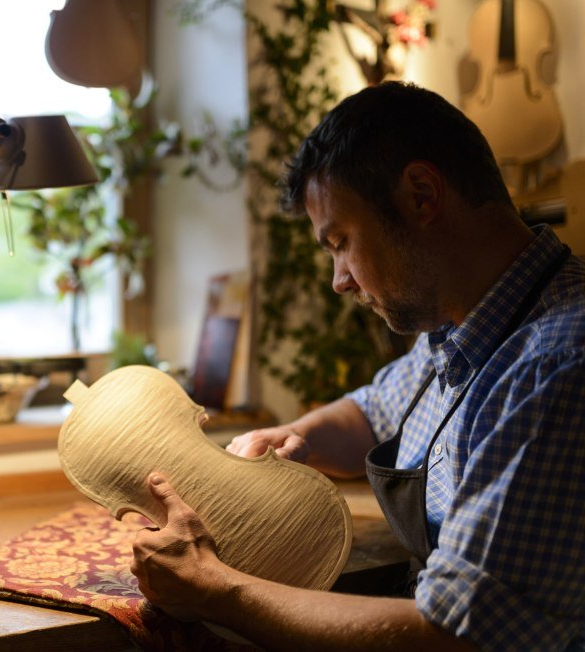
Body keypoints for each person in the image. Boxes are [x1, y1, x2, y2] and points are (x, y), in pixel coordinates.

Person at [130, 81, 585, 651]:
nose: (339, 279)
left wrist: (214, 588)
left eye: (341, 241)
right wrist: (292, 437)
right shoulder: (461, 326)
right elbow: (372, 414)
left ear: (421, 195)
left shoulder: (556, 366)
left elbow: (453, 638)